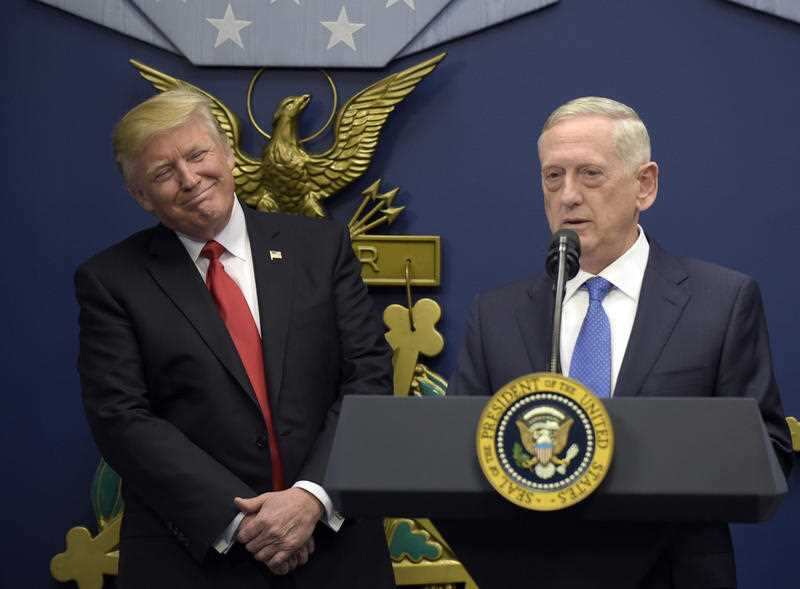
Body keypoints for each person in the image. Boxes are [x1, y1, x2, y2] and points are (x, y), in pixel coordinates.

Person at [448, 96, 793, 588]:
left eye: (590, 174)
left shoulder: (721, 301)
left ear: (644, 185)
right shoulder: (497, 314)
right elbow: (459, 458)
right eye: (553, 176)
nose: (567, 196)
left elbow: (770, 452)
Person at [76, 89, 395, 588]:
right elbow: (121, 417)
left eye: (198, 155)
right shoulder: (111, 281)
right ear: (140, 196)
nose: (189, 180)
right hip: (195, 556)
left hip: (335, 550)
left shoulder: (321, 246)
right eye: (163, 173)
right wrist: (247, 524)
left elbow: (369, 375)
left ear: (226, 152)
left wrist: (311, 496)